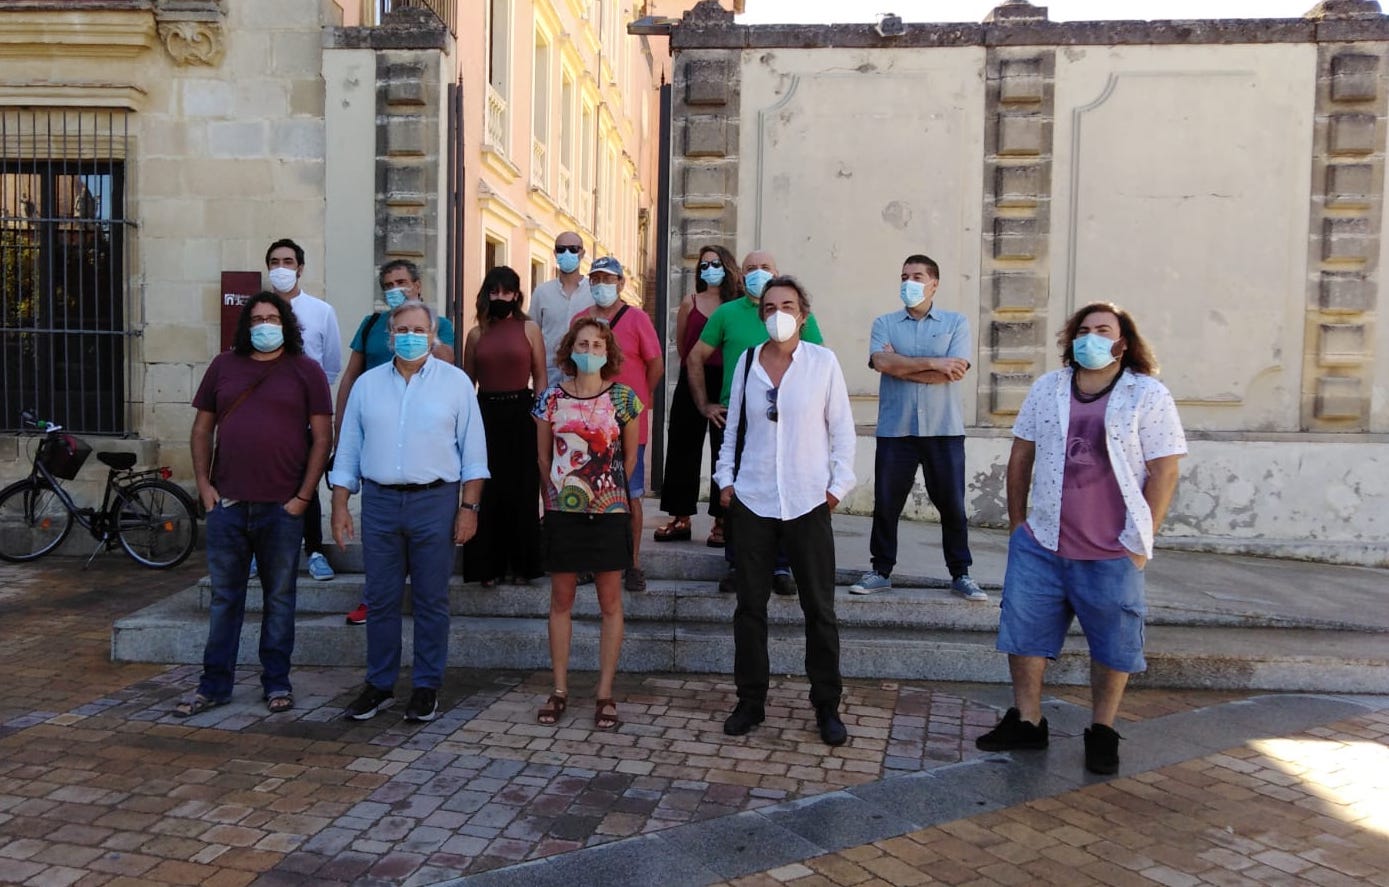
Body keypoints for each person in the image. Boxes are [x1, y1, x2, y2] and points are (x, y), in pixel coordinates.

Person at [975, 302, 1186, 775]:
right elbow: (1020, 455)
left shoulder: (1146, 394)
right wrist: (1017, 524)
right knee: (1024, 635)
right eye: (1083, 330)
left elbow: (1165, 470)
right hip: (1043, 541)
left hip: (1113, 547)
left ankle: (1103, 730)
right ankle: (1028, 722)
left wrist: (1139, 541)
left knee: (1113, 643)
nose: (1091, 337)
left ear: (1123, 342)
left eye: (1102, 330)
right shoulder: (1048, 389)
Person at [329, 301, 489, 723]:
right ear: (390, 335)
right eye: (402, 329)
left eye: (419, 329)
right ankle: (380, 685)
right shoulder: (366, 385)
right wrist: (340, 503)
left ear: (434, 334)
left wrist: (469, 508)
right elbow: (347, 449)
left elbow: (474, 454)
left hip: (435, 501)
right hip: (379, 501)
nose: (410, 336)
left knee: (431, 599)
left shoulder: (455, 384)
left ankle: (425, 687)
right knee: (380, 598)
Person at [714, 277, 856, 747]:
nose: (779, 312)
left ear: (803, 313)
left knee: (820, 609)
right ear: (762, 315)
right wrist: (726, 479)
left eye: (788, 305)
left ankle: (826, 706)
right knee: (750, 608)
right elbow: (732, 427)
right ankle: (750, 701)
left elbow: (842, 430)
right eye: (771, 306)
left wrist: (837, 487)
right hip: (753, 498)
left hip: (807, 499)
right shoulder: (748, 363)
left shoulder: (823, 363)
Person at [176, 292, 332, 717]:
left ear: (286, 324)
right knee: (226, 599)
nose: (265, 324)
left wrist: (303, 497)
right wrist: (204, 486)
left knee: (280, 600)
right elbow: (201, 429)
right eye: (258, 318)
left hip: (282, 510)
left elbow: (322, 437)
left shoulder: (307, 371)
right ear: (246, 325)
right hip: (227, 505)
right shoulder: (223, 367)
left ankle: (277, 682)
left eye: (273, 317)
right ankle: (214, 685)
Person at [687, 250, 825, 596]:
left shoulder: (798, 317)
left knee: (781, 492)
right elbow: (695, 358)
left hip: (787, 422)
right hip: (737, 418)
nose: (757, 274)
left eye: (765, 268)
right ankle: (737, 564)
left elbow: (818, 364)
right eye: (750, 269)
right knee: (734, 496)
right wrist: (705, 404)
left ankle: (780, 566)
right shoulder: (726, 313)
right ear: (740, 275)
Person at [851, 254, 986, 601]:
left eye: (917, 276)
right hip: (897, 430)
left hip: (944, 429)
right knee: (886, 504)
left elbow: (954, 372)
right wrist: (932, 363)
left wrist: (903, 365)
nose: (909, 282)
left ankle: (961, 573)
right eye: (904, 276)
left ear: (934, 284)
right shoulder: (884, 322)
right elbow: (881, 362)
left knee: (952, 505)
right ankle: (880, 570)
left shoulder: (956, 322)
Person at [533, 318, 642, 731]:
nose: (590, 350)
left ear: (608, 352)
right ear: (570, 349)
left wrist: (606, 488)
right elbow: (544, 457)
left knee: (610, 603)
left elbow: (630, 458)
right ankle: (559, 689)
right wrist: (555, 496)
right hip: (564, 512)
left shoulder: (624, 399)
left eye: (598, 344)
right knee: (561, 601)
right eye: (583, 343)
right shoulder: (550, 400)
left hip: (609, 513)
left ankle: (604, 693)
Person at [335, 260, 457, 626]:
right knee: (379, 552)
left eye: (402, 282)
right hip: (379, 429)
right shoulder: (371, 325)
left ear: (418, 285)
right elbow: (351, 376)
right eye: (388, 283)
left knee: (429, 581)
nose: (395, 289)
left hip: (422, 441)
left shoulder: (441, 325)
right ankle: (372, 602)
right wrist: (342, 425)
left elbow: (449, 363)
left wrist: (419, 339)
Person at [572, 257, 662, 593]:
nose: (601, 285)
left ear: (621, 284)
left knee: (630, 493)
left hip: (626, 421)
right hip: (588, 421)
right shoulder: (580, 320)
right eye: (595, 278)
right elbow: (571, 363)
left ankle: (633, 563)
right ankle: (590, 562)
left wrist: (639, 399)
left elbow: (655, 365)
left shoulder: (637, 319)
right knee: (587, 492)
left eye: (608, 279)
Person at [461, 265, 547, 587]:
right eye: (494, 291)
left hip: (522, 412)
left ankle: (523, 566)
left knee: (523, 489)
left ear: (516, 295)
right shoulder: (476, 334)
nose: (500, 297)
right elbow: (466, 381)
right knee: (488, 489)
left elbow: (540, 375)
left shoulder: (530, 329)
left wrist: (541, 415)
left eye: (506, 291)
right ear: (486, 294)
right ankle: (489, 567)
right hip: (484, 415)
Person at [654, 244, 740, 548]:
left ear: (727, 266)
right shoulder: (690, 303)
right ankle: (680, 517)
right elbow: (682, 344)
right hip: (694, 377)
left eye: (715, 263)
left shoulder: (738, 304)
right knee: (681, 445)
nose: (709, 269)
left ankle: (722, 519)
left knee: (724, 451)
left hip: (727, 380)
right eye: (703, 265)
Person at [265, 238, 341, 582]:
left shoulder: (321, 311)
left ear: (300, 268)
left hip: (306, 415)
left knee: (306, 483)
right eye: (275, 262)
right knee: (265, 482)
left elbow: (331, 365)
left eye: (288, 261)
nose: (282, 268)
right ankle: (260, 552)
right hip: (266, 415)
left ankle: (314, 550)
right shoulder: (259, 311)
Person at [533, 230, 595, 387]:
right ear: (555, 253)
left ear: (582, 253)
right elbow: (532, 333)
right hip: (549, 377)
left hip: (585, 377)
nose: (567, 253)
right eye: (561, 249)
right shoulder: (542, 292)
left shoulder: (594, 291)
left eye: (573, 249)